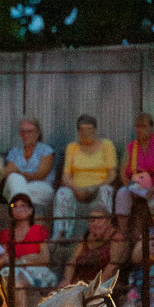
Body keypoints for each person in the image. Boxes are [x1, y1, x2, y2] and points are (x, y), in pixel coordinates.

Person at [53, 114, 117, 271]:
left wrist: (95, 187)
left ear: (96, 130)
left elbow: (112, 174)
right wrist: (75, 188)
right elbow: (66, 175)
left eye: (89, 130)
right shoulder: (72, 148)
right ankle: (62, 233)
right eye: (82, 130)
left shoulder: (106, 145)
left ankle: (103, 232)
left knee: (107, 190)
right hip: (77, 189)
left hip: (99, 186)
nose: (85, 133)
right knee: (62, 193)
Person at [0, 193, 57, 307]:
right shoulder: (5, 234)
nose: (19, 209)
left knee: (16, 282)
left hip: (38, 272)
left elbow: (45, 259)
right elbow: (2, 259)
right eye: (15, 206)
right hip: (13, 272)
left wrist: (19, 260)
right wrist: (31, 257)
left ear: (31, 210)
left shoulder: (38, 230)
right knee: (9, 279)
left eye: (23, 205)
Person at [114, 113, 154, 220]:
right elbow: (122, 171)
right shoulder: (132, 146)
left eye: (143, 126)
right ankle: (123, 232)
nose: (139, 130)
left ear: (151, 127)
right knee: (122, 193)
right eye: (137, 126)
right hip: (136, 186)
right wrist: (130, 187)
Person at [60, 209, 127, 288]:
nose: (95, 223)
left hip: (102, 287)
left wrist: (93, 287)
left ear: (109, 221)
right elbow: (72, 262)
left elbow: (113, 266)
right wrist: (67, 281)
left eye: (99, 219)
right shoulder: (87, 236)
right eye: (92, 220)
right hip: (79, 286)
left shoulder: (117, 238)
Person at [4, 116, 56, 216]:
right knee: (13, 177)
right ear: (19, 134)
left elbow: (40, 175)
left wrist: (19, 172)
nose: (25, 135)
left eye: (29, 131)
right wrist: (17, 175)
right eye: (22, 132)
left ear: (38, 133)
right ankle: (24, 212)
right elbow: (8, 173)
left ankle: (17, 209)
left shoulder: (46, 150)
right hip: (16, 187)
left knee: (17, 183)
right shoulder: (15, 151)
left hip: (41, 187)